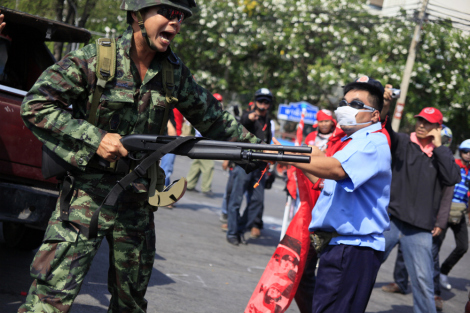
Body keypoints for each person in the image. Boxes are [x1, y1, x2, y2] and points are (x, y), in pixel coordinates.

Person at [17, 1, 261, 312]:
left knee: (130, 305)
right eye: (168, 14)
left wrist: (261, 153)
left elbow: (215, 120)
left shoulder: (173, 72)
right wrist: (96, 138)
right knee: (48, 302)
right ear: (136, 15)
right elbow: (36, 105)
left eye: (181, 17)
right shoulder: (96, 58)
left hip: (137, 204)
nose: (176, 24)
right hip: (84, 199)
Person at [275, 76, 392, 312]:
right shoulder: (353, 142)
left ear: (374, 115)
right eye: (344, 102)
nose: (346, 108)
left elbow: (336, 170)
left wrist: (285, 155)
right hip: (339, 246)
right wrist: (284, 153)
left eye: (356, 105)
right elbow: (322, 179)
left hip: (353, 249)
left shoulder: (372, 142)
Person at [379, 83, 461, 313]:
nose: (422, 125)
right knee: (365, 265)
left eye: (428, 123)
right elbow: (384, 129)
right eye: (420, 120)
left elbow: (452, 179)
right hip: (391, 220)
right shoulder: (404, 143)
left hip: (420, 229)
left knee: (424, 283)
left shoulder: (441, 154)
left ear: (438, 127)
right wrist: (386, 105)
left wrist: (439, 146)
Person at [226, 88, 273, 245]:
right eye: (260, 101)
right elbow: (241, 123)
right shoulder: (249, 116)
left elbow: (269, 141)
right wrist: (249, 118)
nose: (263, 104)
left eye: (266, 102)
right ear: (255, 101)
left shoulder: (268, 121)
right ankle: (232, 233)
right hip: (244, 164)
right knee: (236, 200)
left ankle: (239, 228)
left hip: (260, 166)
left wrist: (270, 167)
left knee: (257, 201)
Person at [438, 139, 470, 289]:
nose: (468, 155)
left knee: (463, 246)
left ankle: (443, 271)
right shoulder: (453, 164)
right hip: (445, 209)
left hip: (460, 212)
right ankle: (430, 279)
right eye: (465, 151)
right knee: (435, 246)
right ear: (461, 152)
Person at [185, 93, 224, 196]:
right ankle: (206, 188)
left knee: (197, 164)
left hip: (199, 140)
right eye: (217, 101)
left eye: (220, 101)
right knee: (209, 165)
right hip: (204, 141)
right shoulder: (209, 112)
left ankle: (189, 184)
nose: (219, 103)